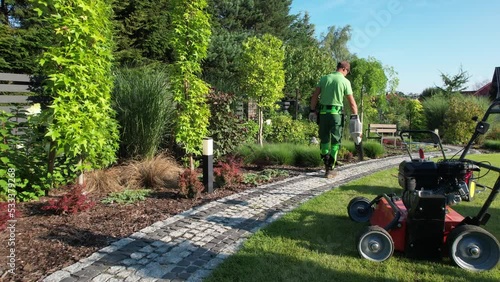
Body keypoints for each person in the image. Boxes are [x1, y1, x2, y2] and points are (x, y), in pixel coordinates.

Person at [309, 61, 359, 178]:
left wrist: (312, 110)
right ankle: (331, 168)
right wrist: (355, 116)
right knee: (336, 141)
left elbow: (315, 96)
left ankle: (326, 167)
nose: (346, 74)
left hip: (323, 114)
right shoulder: (345, 81)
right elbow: (352, 102)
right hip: (336, 115)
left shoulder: (324, 78)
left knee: (324, 140)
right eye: (347, 72)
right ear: (344, 69)